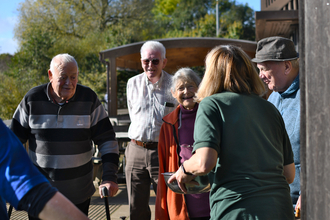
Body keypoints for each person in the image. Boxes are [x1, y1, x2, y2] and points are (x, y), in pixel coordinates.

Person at [168, 45, 296, 220]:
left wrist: (184, 170)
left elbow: (204, 162)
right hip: (280, 209)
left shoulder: (210, 105)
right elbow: (289, 174)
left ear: (211, 74)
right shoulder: (270, 108)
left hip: (236, 210)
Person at [10, 53, 119, 219]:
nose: (69, 83)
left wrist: (109, 177)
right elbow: (12, 144)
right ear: (50, 75)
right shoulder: (32, 99)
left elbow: (107, 140)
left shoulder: (88, 99)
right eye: (63, 77)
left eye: (73, 77)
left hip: (78, 194)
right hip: (41, 194)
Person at [125, 40, 177, 220]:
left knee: (166, 203)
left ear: (164, 62)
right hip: (135, 150)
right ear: (141, 61)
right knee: (136, 206)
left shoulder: (175, 85)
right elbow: (133, 114)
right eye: (146, 61)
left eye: (155, 61)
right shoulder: (132, 83)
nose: (150, 65)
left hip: (163, 151)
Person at [0, 118, 90, 220]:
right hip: (47, 194)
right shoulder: (29, 103)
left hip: (78, 191)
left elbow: (24, 184)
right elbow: (26, 186)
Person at [251, 36, 301, 213]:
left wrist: (310, 190)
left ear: (287, 66)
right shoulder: (272, 98)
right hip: (276, 201)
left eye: (264, 69)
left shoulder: (312, 95)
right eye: (259, 69)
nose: (260, 76)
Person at [156, 68, 210, 220]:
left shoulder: (210, 115)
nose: (186, 91)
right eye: (181, 88)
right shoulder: (168, 123)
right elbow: (164, 165)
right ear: (173, 93)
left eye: (191, 86)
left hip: (211, 191)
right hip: (183, 194)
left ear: (199, 88)